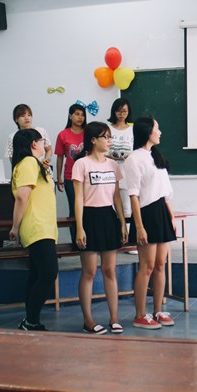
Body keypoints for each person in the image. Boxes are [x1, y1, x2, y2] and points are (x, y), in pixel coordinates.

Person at [73, 121, 128, 334]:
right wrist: (80, 227)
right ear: (93, 140)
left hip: (108, 217)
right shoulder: (81, 164)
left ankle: (114, 318)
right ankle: (88, 320)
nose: (109, 141)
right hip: (89, 217)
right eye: (105, 137)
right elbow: (78, 198)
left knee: (109, 270)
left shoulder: (113, 165)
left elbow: (117, 197)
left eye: (110, 137)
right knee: (89, 271)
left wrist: (122, 222)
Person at [126, 116, 178, 330]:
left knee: (160, 265)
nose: (160, 132)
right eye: (157, 128)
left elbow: (165, 192)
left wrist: (171, 216)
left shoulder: (156, 155)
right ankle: (140, 315)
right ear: (148, 131)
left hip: (162, 212)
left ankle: (157, 311)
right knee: (146, 266)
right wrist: (139, 226)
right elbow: (133, 195)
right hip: (146, 213)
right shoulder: (134, 158)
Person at [9, 128, 59, 331]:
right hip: (37, 226)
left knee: (37, 274)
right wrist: (15, 226)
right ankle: (31, 319)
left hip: (43, 226)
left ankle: (31, 320)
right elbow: (22, 197)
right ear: (33, 144)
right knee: (48, 272)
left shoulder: (33, 163)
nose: (44, 144)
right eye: (41, 141)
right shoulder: (29, 162)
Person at [55, 103, 86, 245]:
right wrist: (59, 177)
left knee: (89, 208)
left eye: (82, 115)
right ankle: (76, 241)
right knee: (74, 209)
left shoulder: (88, 133)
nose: (80, 117)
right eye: (77, 114)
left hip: (88, 177)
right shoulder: (63, 134)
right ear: (70, 116)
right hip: (70, 177)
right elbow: (60, 157)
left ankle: (89, 239)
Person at [106, 98, 135, 247]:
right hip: (108, 170)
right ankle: (115, 238)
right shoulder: (108, 129)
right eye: (118, 111)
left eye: (124, 111)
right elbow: (102, 149)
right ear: (114, 111)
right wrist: (111, 155)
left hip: (126, 172)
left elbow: (138, 150)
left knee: (127, 207)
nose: (121, 114)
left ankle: (128, 240)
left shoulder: (133, 129)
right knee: (109, 206)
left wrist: (129, 155)